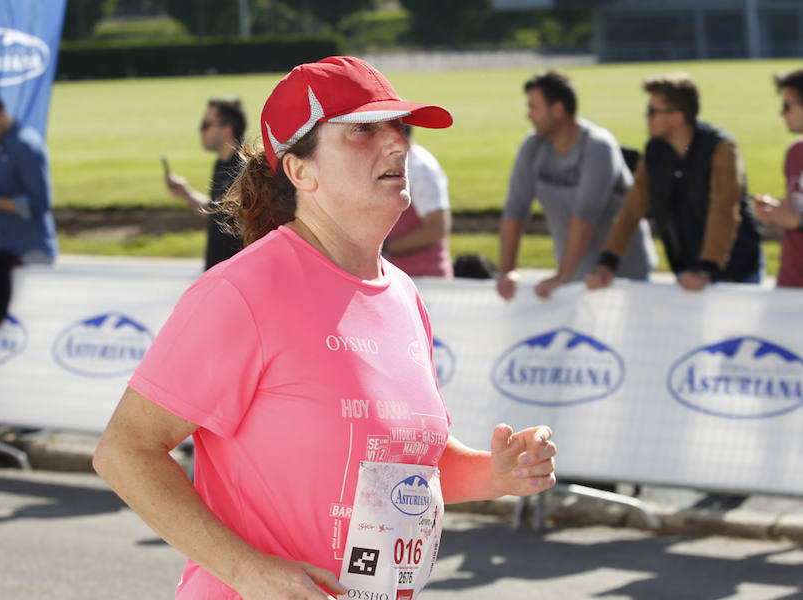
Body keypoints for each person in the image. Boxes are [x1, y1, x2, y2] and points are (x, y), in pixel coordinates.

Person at [94, 56, 557, 600]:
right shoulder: (245, 291)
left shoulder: (403, 293)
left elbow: (400, 467)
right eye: (363, 130)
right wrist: (246, 570)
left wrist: (497, 474)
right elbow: (125, 450)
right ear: (300, 170)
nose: (397, 145)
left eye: (397, 128)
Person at [587, 72, 762, 292]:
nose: (646, 117)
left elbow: (724, 210)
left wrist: (707, 269)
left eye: (652, 111)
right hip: (689, 270)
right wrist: (608, 262)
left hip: (735, 271)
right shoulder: (655, 151)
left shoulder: (721, 148)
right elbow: (632, 209)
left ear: (677, 117)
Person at [497, 70, 655, 301]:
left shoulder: (598, 146)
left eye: (534, 107)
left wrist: (561, 276)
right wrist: (506, 272)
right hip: (575, 280)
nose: (528, 115)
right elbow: (515, 210)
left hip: (623, 278)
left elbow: (584, 216)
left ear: (558, 109)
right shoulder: (532, 148)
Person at [0, 92, 57, 264]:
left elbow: (40, 203)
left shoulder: (25, 145)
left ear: (2, 115)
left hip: (32, 249)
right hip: (3, 247)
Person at [166, 98, 246, 269]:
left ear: (227, 130)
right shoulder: (221, 164)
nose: (201, 130)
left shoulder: (243, 171)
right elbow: (217, 212)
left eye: (206, 125)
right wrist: (187, 194)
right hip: (217, 275)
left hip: (233, 276)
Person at [754, 69, 803, 287]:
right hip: (790, 280)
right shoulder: (795, 152)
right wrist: (776, 210)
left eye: (787, 105)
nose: (782, 114)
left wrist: (798, 221)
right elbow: (797, 203)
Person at [383, 125, 453, 277]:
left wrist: (386, 249)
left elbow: (436, 227)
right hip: (401, 277)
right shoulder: (396, 162)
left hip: (425, 280)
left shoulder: (420, 167)